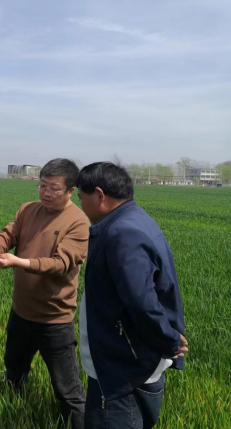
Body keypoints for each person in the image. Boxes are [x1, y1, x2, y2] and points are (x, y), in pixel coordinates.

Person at [76, 162, 187, 429]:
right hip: (127, 361)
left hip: (122, 369)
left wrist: (170, 340)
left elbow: (141, 302)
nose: (80, 206)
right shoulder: (134, 219)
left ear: (100, 195)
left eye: (81, 198)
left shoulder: (122, 233)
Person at [0, 158, 88, 429]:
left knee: (68, 390)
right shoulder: (28, 210)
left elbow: (61, 264)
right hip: (21, 312)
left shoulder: (79, 222)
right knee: (14, 371)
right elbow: (9, 234)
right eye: (42, 186)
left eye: (54, 188)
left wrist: (19, 262)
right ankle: (13, 415)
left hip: (54, 318)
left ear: (70, 190)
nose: (46, 193)